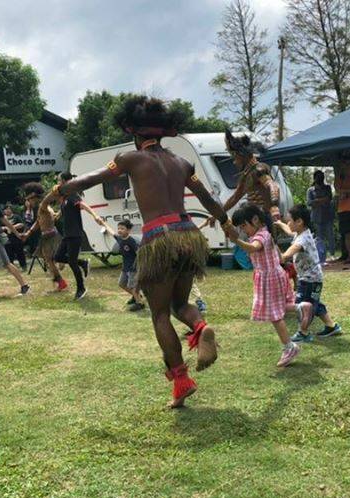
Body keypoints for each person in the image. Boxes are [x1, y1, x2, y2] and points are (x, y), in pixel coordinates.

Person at [57, 95, 231, 408]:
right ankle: (202, 327)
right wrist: (224, 221)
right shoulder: (183, 163)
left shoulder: (129, 159)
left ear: (136, 135)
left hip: (159, 240)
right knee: (181, 304)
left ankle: (181, 381)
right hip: (188, 236)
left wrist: (63, 188)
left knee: (160, 313)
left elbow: (93, 178)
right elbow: (207, 199)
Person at [227, 203, 298, 366]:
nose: (244, 230)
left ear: (255, 220)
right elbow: (277, 254)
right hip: (273, 275)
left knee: (275, 315)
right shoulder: (266, 232)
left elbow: (253, 248)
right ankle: (302, 308)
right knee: (279, 308)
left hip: (269, 278)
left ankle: (289, 347)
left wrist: (237, 241)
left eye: (244, 225)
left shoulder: (261, 236)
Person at [274, 205, 342, 342]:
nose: (288, 223)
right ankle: (331, 326)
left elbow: (285, 256)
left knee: (303, 305)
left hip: (310, 280)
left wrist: (273, 248)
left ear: (299, 221)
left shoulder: (302, 240)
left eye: (289, 220)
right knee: (313, 303)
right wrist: (279, 223)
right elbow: (289, 231)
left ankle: (303, 332)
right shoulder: (302, 232)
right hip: (311, 278)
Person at [54, 172, 96, 300]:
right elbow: (66, 209)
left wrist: (95, 215)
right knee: (58, 256)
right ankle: (83, 262)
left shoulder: (72, 195)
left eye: (59, 181)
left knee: (72, 262)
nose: (58, 183)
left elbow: (82, 205)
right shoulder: (65, 197)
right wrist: (58, 214)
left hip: (75, 234)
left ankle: (81, 288)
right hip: (67, 234)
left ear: (66, 182)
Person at [221, 130, 280, 220]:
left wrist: (274, 202)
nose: (234, 162)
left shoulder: (258, 169)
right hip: (255, 219)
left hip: (266, 217)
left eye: (235, 158)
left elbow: (270, 184)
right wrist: (218, 214)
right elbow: (234, 198)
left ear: (241, 155)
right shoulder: (246, 174)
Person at [21, 182, 68, 291]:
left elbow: (47, 199)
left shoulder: (43, 205)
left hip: (51, 236)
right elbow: (38, 221)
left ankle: (62, 278)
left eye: (29, 199)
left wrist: (55, 191)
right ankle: (60, 282)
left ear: (33, 196)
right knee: (49, 260)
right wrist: (28, 233)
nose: (28, 202)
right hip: (47, 237)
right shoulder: (41, 208)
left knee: (52, 260)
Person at [95, 218, 145, 311]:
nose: (119, 230)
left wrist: (141, 265)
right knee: (122, 284)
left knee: (132, 286)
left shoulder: (132, 241)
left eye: (122, 228)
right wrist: (102, 223)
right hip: (125, 267)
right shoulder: (119, 239)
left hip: (133, 268)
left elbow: (139, 253)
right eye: (119, 228)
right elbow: (111, 231)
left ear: (128, 230)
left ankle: (140, 303)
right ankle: (136, 296)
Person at [306, 170, 335, 263]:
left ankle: (332, 254)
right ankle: (321, 255)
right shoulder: (310, 190)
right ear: (315, 178)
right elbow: (309, 203)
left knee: (330, 236)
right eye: (318, 177)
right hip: (316, 217)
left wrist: (317, 201)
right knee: (319, 238)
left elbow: (329, 198)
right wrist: (321, 200)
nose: (320, 178)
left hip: (328, 215)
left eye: (322, 176)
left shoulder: (327, 188)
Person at [2, 204, 27, 271]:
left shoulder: (16, 217)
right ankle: (11, 269)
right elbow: (0, 228)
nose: (7, 210)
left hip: (16, 237)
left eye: (9, 209)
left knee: (20, 253)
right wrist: (6, 228)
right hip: (7, 239)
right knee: (9, 254)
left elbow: (21, 224)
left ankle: (23, 266)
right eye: (6, 209)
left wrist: (12, 228)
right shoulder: (3, 219)